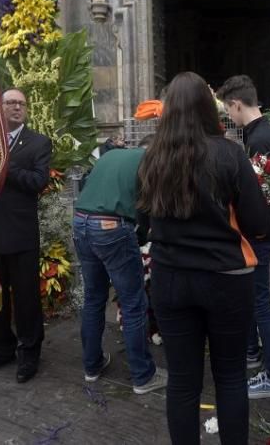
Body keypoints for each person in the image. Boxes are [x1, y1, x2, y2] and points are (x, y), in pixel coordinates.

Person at [137, 72, 268, 445]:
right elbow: (257, 222)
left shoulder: (151, 158)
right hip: (225, 275)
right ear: (207, 109)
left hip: (171, 278)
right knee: (229, 378)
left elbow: (143, 222)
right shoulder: (228, 152)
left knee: (182, 381)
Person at [72, 136, 167, 393]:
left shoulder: (113, 155)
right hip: (111, 226)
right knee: (133, 302)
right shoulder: (151, 162)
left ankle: (91, 366)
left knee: (93, 297)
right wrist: (142, 237)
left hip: (81, 221)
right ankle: (142, 376)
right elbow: (147, 209)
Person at [216, 74, 270, 399]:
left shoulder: (260, 139)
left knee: (260, 305)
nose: (228, 117)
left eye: (227, 110)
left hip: (258, 235)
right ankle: (253, 355)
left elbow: (260, 195)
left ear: (237, 104)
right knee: (253, 301)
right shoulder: (261, 132)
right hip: (259, 233)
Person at [0, 88, 53, 384]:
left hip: (22, 234)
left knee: (26, 299)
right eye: (10, 102)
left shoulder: (38, 142)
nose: (16, 107)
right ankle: (2, 348)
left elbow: (37, 181)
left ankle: (29, 352)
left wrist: (4, 167)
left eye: (21, 103)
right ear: (0, 106)